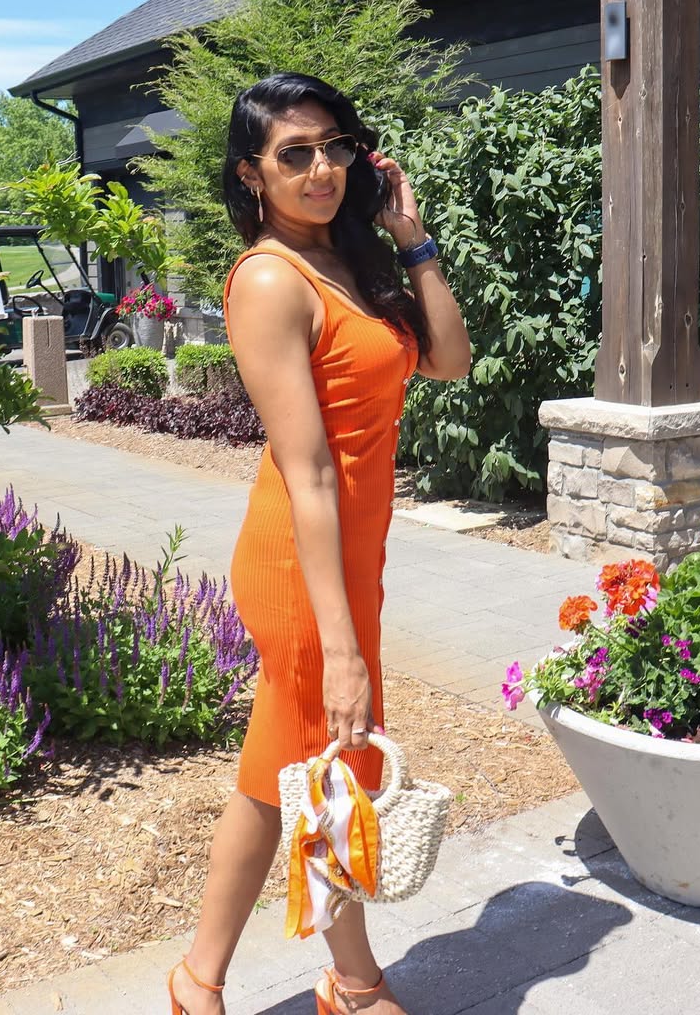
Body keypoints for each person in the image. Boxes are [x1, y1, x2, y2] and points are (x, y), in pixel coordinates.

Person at [168, 72, 470, 1015]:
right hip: (302, 566)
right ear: (252, 175)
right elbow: (306, 473)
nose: (320, 169)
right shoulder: (268, 279)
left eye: (333, 147)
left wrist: (410, 240)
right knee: (319, 768)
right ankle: (349, 981)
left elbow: (451, 360)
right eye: (292, 155)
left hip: (350, 557)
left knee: (288, 776)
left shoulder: (352, 263)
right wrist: (340, 650)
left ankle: (205, 978)